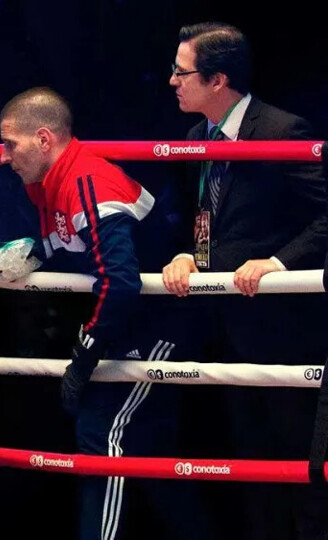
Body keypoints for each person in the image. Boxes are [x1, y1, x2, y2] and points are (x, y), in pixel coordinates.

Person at [0, 87, 209, 540]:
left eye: (10, 144)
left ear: (43, 139)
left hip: (161, 321)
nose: (3, 156)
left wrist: (84, 356)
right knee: (151, 450)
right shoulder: (49, 183)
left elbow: (122, 282)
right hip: (129, 322)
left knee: (103, 433)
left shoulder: (86, 181)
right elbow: (74, 245)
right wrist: (30, 256)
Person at [161, 22, 328, 540]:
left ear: (217, 80)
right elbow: (208, 216)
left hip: (285, 329)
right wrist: (189, 255)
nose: (171, 81)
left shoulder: (283, 130)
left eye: (181, 72)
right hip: (226, 325)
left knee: (296, 458)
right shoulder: (197, 137)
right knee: (248, 460)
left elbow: (325, 216)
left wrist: (279, 262)